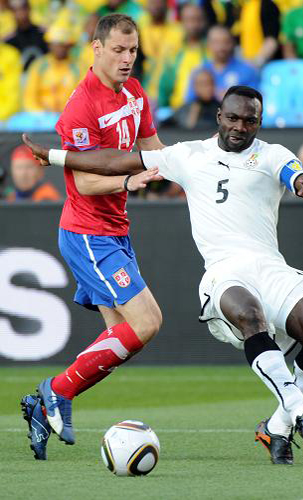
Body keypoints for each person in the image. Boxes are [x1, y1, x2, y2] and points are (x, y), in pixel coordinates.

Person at [25, 85, 303, 466]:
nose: (241, 127)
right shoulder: (188, 155)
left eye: (250, 120)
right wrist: (56, 156)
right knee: (251, 317)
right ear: (220, 116)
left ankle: (277, 425)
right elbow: (115, 161)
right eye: (234, 118)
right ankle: (297, 410)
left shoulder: (273, 155)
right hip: (225, 273)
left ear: (259, 122)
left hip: (271, 267)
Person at [20, 13, 164, 461]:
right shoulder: (81, 108)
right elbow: (83, 183)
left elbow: (155, 149)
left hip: (115, 230)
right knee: (147, 321)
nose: (127, 59)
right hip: (87, 232)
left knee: (119, 337)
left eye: (133, 50)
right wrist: (128, 182)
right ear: (96, 48)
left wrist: (198, 165)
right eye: (118, 50)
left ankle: (44, 405)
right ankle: (54, 391)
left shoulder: (135, 92)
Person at [186, 25, 260, 103]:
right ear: (208, 45)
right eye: (216, 42)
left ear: (233, 43)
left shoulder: (247, 71)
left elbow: (254, 102)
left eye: (226, 42)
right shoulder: (199, 71)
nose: (221, 47)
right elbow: (189, 102)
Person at [158, 3, 207, 110]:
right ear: (182, 23)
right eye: (189, 20)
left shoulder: (211, 51)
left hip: (205, 112)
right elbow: (165, 87)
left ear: (204, 22)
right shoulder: (175, 52)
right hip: (177, 111)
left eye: (197, 19)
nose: (193, 24)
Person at [23, 22, 80, 113]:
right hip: (41, 119)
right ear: (49, 45)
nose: (59, 48)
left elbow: (83, 98)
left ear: (69, 46)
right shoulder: (39, 66)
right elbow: (30, 96)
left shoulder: (78, 68)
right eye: (55, 44)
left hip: (70, 117)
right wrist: (39, 113)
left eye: (63, 44)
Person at [5, 0, 47, 71]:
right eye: (15, 10)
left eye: (23, 8)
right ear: (11, 13)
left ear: (29, 9)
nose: (20, 13)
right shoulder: (9, 41)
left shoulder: (43, 34)